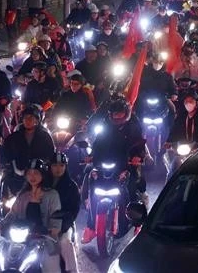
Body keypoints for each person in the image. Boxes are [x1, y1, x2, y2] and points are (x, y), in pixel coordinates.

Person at [82, 99, 148, 243]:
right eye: (115, 114)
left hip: (126, 164)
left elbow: (139, 145)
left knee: (131, 187)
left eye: (120, 114)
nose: (118, 117)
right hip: (105, 163)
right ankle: (91, 226)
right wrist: (91, 155)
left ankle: (137, 222)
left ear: (127, 113)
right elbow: (98, 144)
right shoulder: (105, 126)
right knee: (90, 180)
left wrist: (137, 156)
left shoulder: (134, 127)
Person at [0, 159, 61, 272]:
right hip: (22, 238)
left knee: (50, 267)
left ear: (43, 175)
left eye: (36, 173)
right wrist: (0, 225)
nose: (32, 176)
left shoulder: (52, 195)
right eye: (29, 173)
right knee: (0, 258)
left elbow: (56, 218)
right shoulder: (23, 195)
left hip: (43, 238)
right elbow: (12, 214)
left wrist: (52, 230)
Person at [2, 105, 55, 188]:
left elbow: (50, 155)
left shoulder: (45, 137)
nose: (28, 120)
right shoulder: (14, 137)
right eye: (25, 118)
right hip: (18, 175)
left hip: (38, 177)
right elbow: (7, 154)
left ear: (37, 120)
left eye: (31, 117)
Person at [50, 152, 80, 273]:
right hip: (43, 223)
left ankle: (72, 270)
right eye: (55, 165)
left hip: (64, 223)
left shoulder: (71, 186)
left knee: (65, 242)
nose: (58, 169)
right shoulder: (43, 183)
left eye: (61, 165)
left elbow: (74, 210)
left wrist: (62, 227)